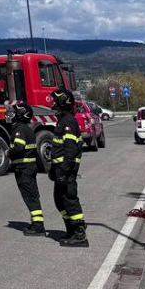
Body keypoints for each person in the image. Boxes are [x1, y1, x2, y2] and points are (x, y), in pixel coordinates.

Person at [49, 88, 87, 247]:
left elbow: (70, 151)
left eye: (55, 100)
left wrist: (64, 172)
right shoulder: (63, 120)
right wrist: (53, 169)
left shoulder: (68, 121)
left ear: (63, 101)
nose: (53, 103)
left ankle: (79, 235)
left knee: (70, 200)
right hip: (60, 169)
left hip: (67, 171)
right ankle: (71, 230)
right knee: (60, 200)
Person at [7, 101, 44, 235]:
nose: (12, 114)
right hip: (28, 167)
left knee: (30, 197)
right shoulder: (26, 128)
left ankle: (38, 226)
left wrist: (8, 153)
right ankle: (37, 223)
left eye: (15, 112)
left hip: (23, 168)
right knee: (32, 196)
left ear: (20, 115)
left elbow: (18, 148)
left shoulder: (20, 129)